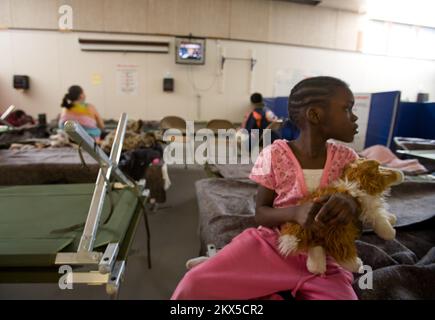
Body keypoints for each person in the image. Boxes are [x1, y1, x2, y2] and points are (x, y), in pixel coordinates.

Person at [172, 76, 361, 300]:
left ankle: (231, 267)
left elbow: (361, 215)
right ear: (314, 115)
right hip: (273, 248)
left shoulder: (348, 159)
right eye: (347, 109)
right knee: (193, 285)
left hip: (323, 259)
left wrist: (351, 204)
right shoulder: (275, 155)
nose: (355, 116)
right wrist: (294, 213)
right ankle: (226, 263)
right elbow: (260, 213)